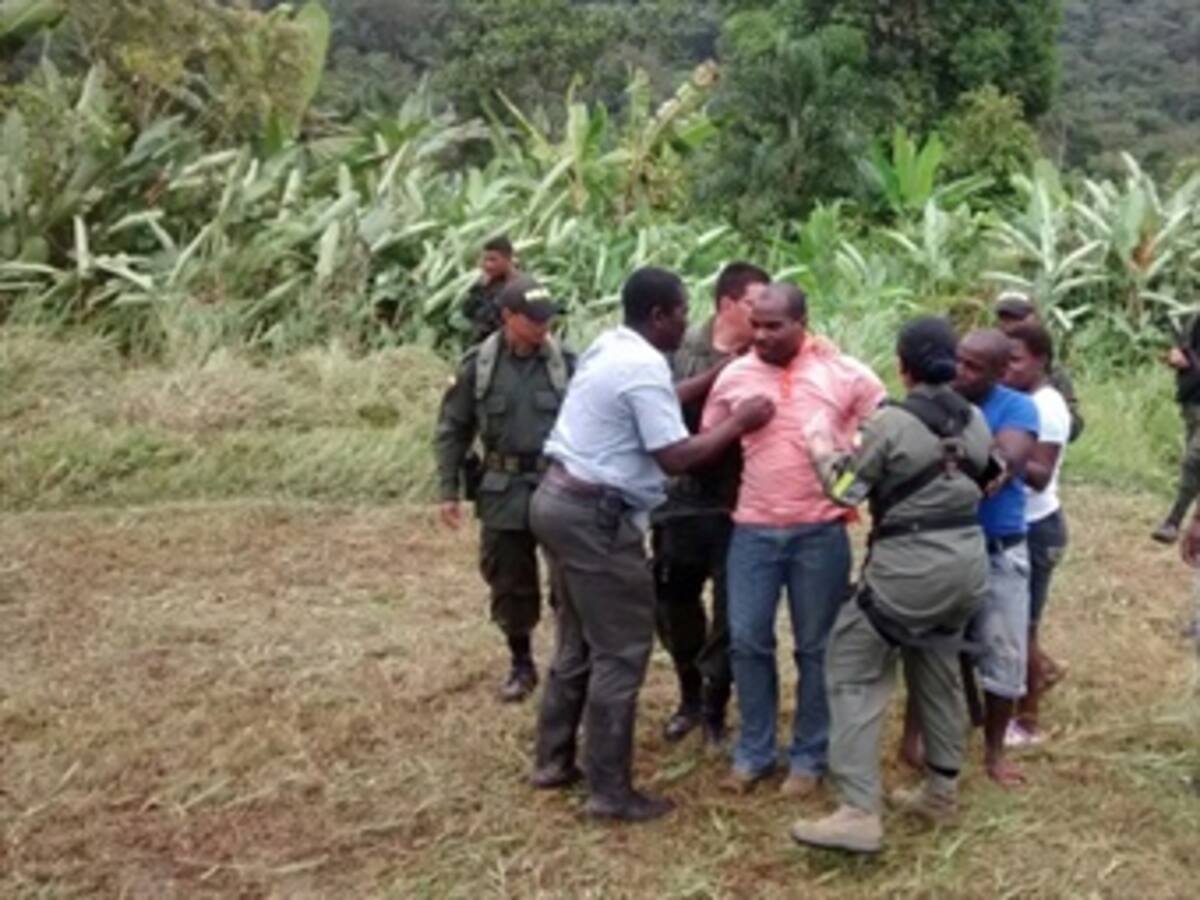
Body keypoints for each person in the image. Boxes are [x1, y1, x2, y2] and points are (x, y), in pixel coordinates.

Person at [528, 266, 775, 823]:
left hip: (556, 501)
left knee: (576, 642)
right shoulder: (642, 366)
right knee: (621, 650)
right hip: (596, 517)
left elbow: (662, 394)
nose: (689, 321)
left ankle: (552, 761)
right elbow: (677, 456)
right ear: (660, 316)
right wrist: (739, 420)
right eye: (683, 312)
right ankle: (609, 791)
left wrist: (721, 374)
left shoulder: (610, 346)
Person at [789, 317, 993, 854]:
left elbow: (844, 490)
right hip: (967, 565)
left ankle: (858, 809)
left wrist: (818, 447)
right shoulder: (974, 420)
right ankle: (941, 792)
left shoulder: (890, 424)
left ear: (903, 366)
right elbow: (992, 478)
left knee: (851, 664)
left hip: (909, 571)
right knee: (937, 664)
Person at [702, 283, 886, 797]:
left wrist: (850, 454)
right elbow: (711, 435)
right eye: (755, 325)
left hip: (820, 530)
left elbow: (884, 422)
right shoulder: (735, 376)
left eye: (773, 326)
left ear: (802, 323)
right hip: (753, 529)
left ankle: (809, 756)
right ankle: (755, 752)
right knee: (748, 641)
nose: (760, 335)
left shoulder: (841, 372)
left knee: (815, 646)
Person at [902, 329, 1038, 787]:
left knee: (1002, 654)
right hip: (942, 546)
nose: (960, 371)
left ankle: (995, 753)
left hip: (997, 546)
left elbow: (1003, 463)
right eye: (958, 360)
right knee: (932, 644)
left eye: (974, 367)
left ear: (1001, 373)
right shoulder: (932, 399)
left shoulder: (1018, 407)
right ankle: (914, 740)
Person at [435, 276, 572, 702]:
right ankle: (521, 663)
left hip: (557, 484)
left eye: (547, 318)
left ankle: (570, 662)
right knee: (510, 582)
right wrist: (448, 488)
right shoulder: (479, 366)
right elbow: (453, 429)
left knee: (569, 581)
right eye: (533, 320)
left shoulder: (566, 362)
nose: (542, 326)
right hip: (502, 488)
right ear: (508, 318)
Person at [652, 261, 770, 745]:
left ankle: (715, 706)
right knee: (674, 604)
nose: (763, 315)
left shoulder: (772, 353)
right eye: (752, 305)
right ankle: (688, 695)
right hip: (678, 504)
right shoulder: (674, 353)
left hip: (736, 505)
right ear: (726, 304)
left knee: (732, 614)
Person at [1003, 321, 1071, 746]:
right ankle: (1042, 671)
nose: (1006, 369)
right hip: (1022, 523)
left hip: (1036, 526)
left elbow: (1040, 477)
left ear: (1040, 360)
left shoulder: (1047, 407)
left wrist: (997, 456)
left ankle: (1028, 721)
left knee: (1022, 626)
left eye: (1015, 360)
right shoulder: (1023, 399)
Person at [995, 292, 1084, 443]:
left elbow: (1073, 425)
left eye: (1017, 318)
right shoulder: (988, 358)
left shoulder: (1052, 373)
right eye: (1005, 319)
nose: (1009, 324)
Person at [1153, 312, 1200, 544]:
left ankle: (1174, 520)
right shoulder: (1195, 320)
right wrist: (1176, 358)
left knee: (1194, 459)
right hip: (1192, 403)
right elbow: (1182, 352)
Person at [461, 235, 521, 346]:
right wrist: (480, 287)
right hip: (480, 346)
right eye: (484, 259)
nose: (487, 265)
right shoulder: (487, 282)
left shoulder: (520, 286)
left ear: (508, 259)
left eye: (493, 260)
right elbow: (467, 312)